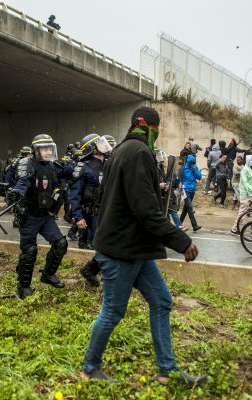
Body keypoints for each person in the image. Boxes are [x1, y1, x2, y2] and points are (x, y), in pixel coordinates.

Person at [80, 106, 206, 387]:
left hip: (134, 247)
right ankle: (89, 369)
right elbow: (146, 211)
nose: (156, 135)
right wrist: (182, 241)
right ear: (145, 126)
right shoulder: (138, 153)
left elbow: (119, 199)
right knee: (112, 312)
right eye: (155, 129)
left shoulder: (120, 151)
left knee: (161, 301)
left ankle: (167, 370)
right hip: (120, 251)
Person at [7, 134, 70, 299]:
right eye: (44, 149)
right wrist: (16, 193)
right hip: (29, 216)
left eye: (50, 148)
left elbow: (58, 185)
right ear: (36, 150)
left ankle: (48, 275)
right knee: (30, 251)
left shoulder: (52, 167)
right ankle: (23, 286)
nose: (48, 152)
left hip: (45, 216)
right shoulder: (29, 165)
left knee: (61, 243)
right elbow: (22, 183)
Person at [69, 133, 111, 250]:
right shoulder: (83, 167)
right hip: (91, 216)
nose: (104, 145)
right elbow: (74, 195)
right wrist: (78, 217)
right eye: (100, 144)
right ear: (92, 149)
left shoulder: (110, 164)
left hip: (107, 214)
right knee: (91, 248)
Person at [231, 155, 252, 234]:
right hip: (245, 194)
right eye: (251, 160)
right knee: (242, 212)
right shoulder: (244, 170)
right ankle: (235, 228)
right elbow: (245, 183)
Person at [179, 154, 202, 231]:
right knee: (189, 207)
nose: (192, 163)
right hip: (184, 190)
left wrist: (194, 170)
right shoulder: (183, 168)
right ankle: (194, 225)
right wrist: (180, 188)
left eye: (193, 162)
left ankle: (178, 224)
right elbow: (179, 179)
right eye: (191, 162)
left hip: (192, 190)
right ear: (188, 161)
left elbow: (199, 177)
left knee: (186, 209)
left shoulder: (195, 167)